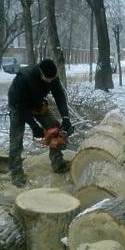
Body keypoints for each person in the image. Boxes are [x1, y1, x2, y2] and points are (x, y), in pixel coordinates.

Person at [7, 58, 74, 187]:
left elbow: (59, 97)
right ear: (40, 72)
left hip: (37, 102)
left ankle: (58, 163)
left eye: (51, 79)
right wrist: (34, 126)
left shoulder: (53, 77)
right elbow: (21, 107)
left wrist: (66, 118)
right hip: (18, 105)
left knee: (55, 128)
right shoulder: (23, 79)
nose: (49, 81)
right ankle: (16, 174)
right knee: (16, 140)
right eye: (47, 79)